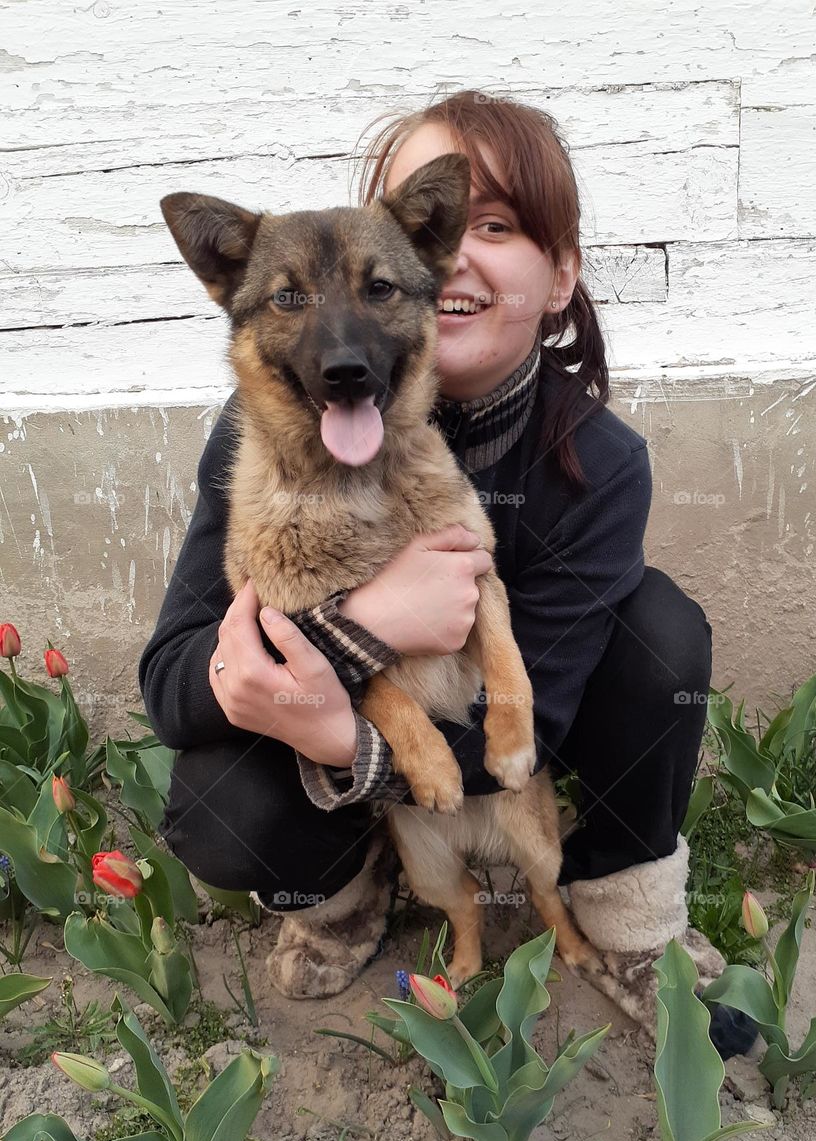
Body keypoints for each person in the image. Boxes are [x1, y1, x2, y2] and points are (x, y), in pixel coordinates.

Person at [139, 90, 757, 1058]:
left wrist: (357, 741)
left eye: (495, 226)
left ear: (560, 276)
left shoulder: (597, 463)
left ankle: (624, 913)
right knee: (218, 801)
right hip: (344, 738)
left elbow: (528, 733)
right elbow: (174, 689)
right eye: (436, 225)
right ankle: (349, 892)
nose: (455, 250)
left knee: (661, 635)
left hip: (470, 741)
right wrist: (366, 627)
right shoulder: (261, 439)